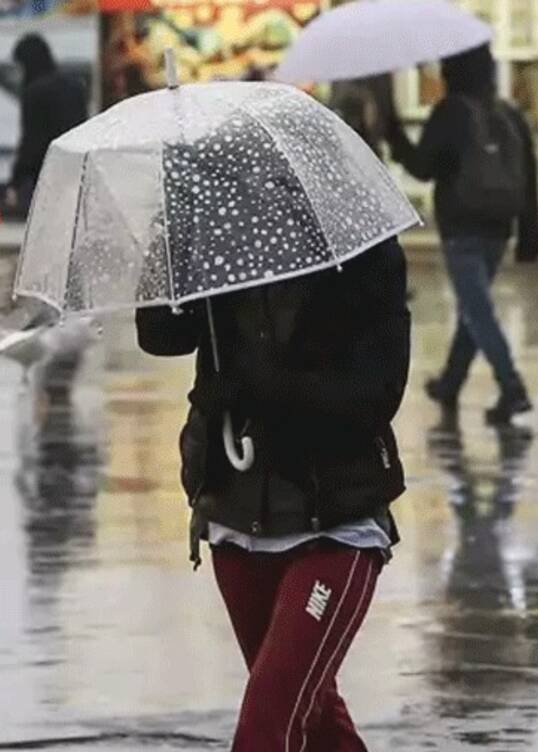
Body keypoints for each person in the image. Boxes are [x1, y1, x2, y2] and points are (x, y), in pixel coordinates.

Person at [135, 237, 411, 751]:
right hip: (236, 515)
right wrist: (170, 244)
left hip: (333, 521)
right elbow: (162, 335)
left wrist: (266, 390)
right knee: (318, 722)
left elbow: (376, 394)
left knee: (267, 726)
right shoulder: (217, 235)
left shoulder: (362, 250)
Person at [387, 43, 538, 425]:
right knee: (474, 307)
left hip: (463, 229)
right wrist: (529, 232)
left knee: (477, 310)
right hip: (499, 229)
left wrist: (394, 136)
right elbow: (530, 173)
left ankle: (512, 387)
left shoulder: (451, 112)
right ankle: (451, 384)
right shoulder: (508, 113)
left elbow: (423, 168)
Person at [7, 33, 88, 213]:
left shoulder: (34, 92)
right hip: (77, 168)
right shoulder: (74, 86)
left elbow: (31, 141)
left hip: (48, 173)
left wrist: (16, 180)